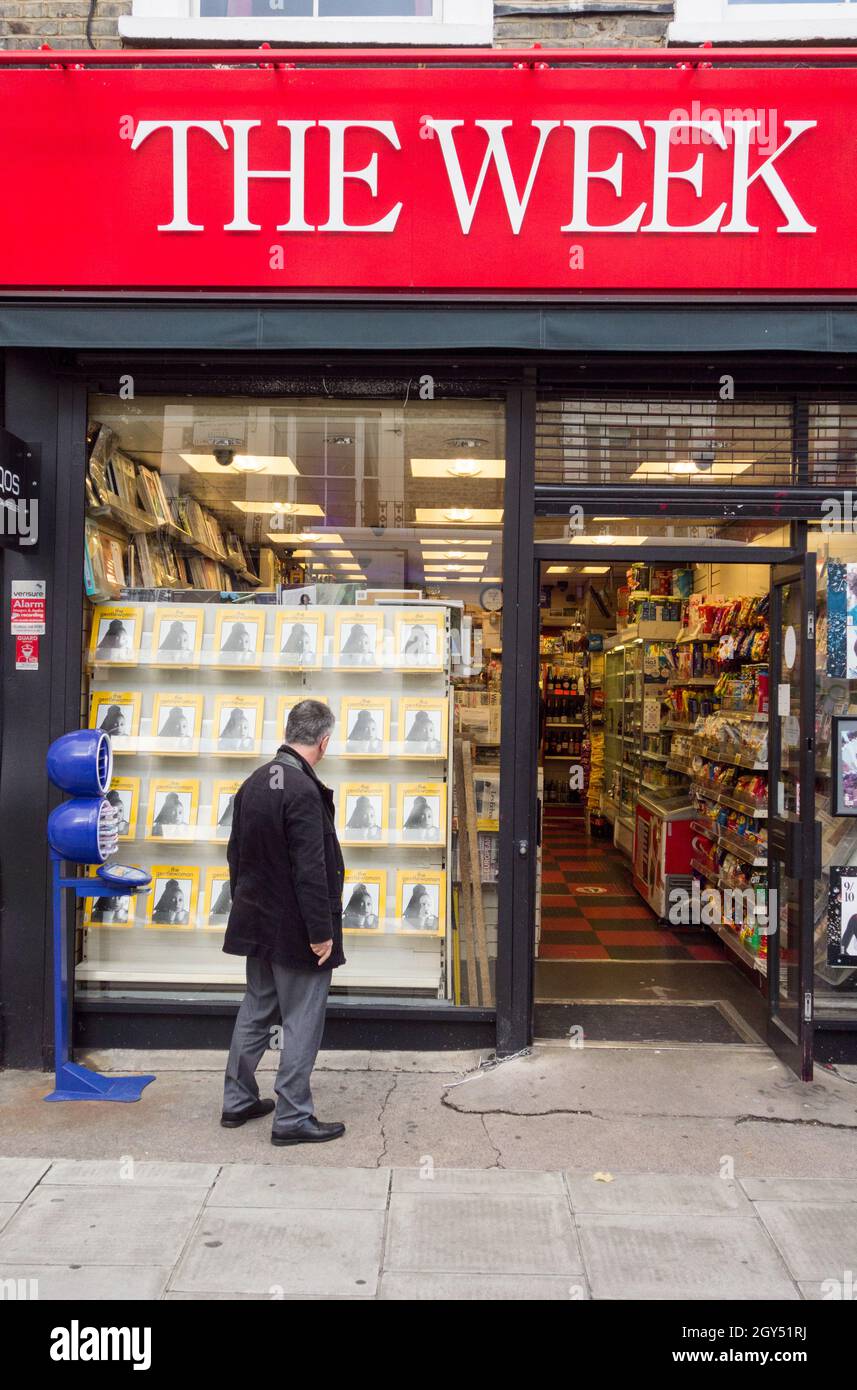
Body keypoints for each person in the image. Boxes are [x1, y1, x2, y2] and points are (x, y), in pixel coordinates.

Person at [221, 698, 346, 1145]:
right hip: (296, 929)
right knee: (302, 1019)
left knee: (256, 1009)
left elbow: (235, 855)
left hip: (258, 922)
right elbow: (311, 869)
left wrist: (247, 907)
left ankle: (236, 1100)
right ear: (324, 741)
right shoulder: (303, 790)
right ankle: (292, 1116)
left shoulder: (255, 782)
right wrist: (321, 933)